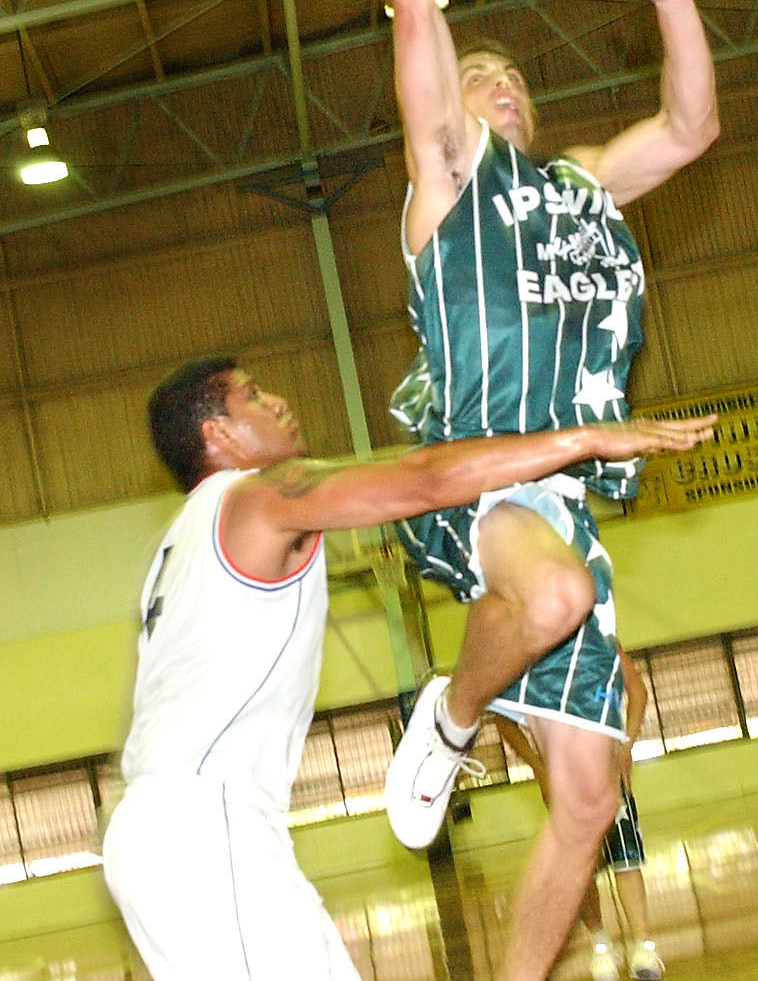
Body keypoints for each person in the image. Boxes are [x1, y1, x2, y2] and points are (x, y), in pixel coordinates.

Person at [368, 0, 719, 981]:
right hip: (473, 474)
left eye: (511, 73)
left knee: (585, 794)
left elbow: (685, 128)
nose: (496, 81)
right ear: (445, 109)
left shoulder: (571, 187)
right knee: (554, 596)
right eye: (474, 73)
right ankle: (448, 717)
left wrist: (676, 3)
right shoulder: (448, 178)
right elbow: (414, 0)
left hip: (562, 496)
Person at [101, 355, 713, 981]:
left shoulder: (183, 540)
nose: (280, 401)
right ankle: (448, 722)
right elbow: (421, 481)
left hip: (173, 833)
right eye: (254, 397)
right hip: (202, 830)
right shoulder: (255, 501)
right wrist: (586, 438)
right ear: (219, 435)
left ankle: (449, 720)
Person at [496, 647, 665, 980]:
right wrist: (539, 767)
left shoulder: (601, 644)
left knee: (625, 857)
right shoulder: (524, 655)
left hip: (607, 773)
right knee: (581, 868)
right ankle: (600, 945)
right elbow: (504, 721)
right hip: (563, 782)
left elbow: (638, 692)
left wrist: (626, 745)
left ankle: (644, 947)